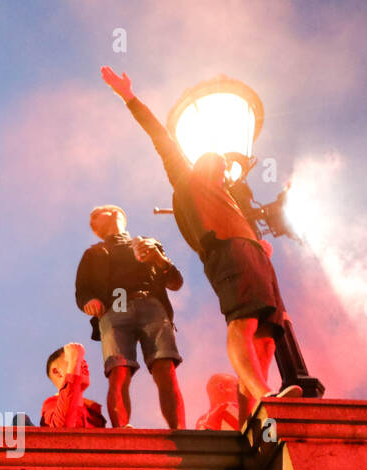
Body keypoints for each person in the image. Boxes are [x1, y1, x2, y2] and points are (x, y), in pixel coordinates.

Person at [100, 66, 302, 423]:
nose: (225, 167)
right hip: (227, 251)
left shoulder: (231, 197)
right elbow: (158, 134)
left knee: (269, 336)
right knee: (244, 322)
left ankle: (251, 414)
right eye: (219, 162)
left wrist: (258, 242)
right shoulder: (185, 175)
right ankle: (263, 395)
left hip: (253, 253)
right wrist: (129, 96)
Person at [75, 204, 186, 428]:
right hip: (114, 305)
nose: (92, 220)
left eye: (97, 213)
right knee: (119, 369)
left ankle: (179, 430)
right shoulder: (93, 253)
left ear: (117, 213)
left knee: (165, 367)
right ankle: (122, 432)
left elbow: (175, 282)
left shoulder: (148, 243)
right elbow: (82, 290)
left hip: (152, 304)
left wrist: (159, 260)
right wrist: (89, 301)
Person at [41, 342, 106, 428]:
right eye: (77, 359)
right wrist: (74, 362)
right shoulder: (52, 404)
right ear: (57, 372)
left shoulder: (93, 414)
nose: (85, 365)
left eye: (83, 361)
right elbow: (61, 428)